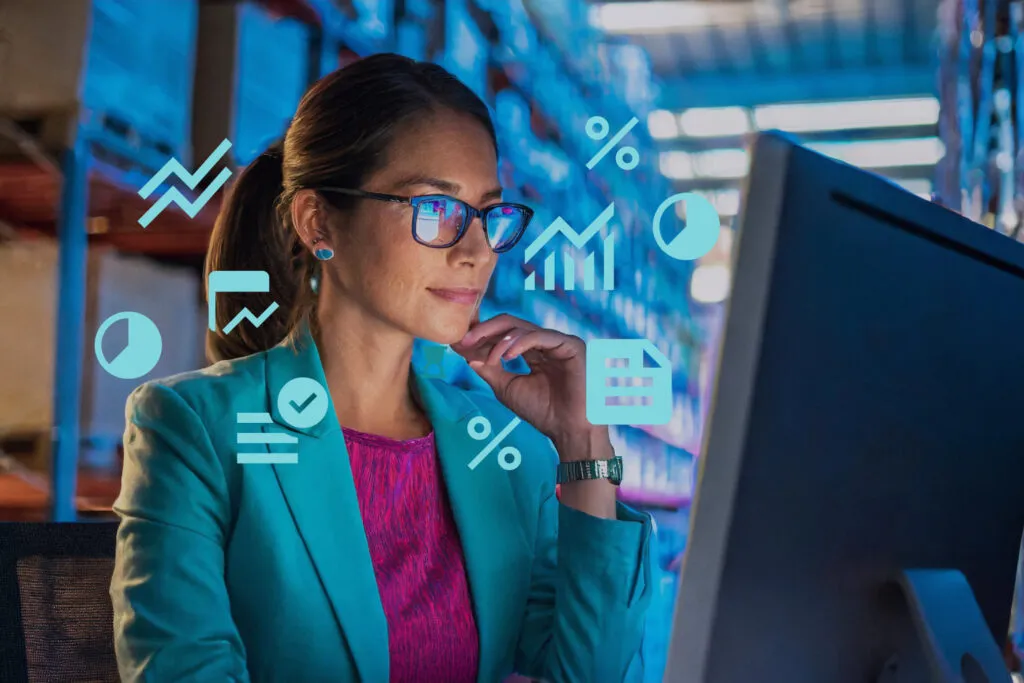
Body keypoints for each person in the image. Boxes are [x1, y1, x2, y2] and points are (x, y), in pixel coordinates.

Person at [109, 53, 653, 683]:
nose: (477, 252)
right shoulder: (193, 428)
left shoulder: (505, 451)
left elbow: (593, 674)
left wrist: (582, 440)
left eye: (489, 214)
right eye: (436, 210)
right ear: (319, 223)